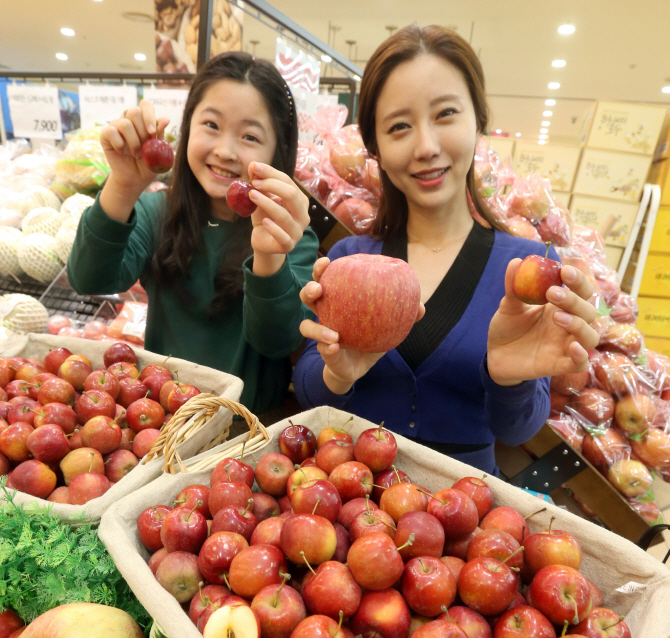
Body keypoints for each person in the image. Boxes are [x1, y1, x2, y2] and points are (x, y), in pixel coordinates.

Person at [293, 25, 599, 475]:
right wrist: (338, 375)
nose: (426, 147)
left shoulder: (525, 270)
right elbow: (307, 389)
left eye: (445, 114)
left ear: (478, 121)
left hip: (465, 517)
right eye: (399, 127)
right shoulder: (347, 260)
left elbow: (517, 431)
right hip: (352, 506)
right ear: (375, 147)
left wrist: (509, 378)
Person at [68, 52, 318, 419]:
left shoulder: (292, 235)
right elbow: (90, 277)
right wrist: (122, 185)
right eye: (211, 125)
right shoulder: (159, 214)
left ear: (277, 153)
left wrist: (268, 255)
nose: (225, 150)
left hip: (246, 433)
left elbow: (278, 340)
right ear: (187, 128)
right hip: (160, 423)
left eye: (250, 135)